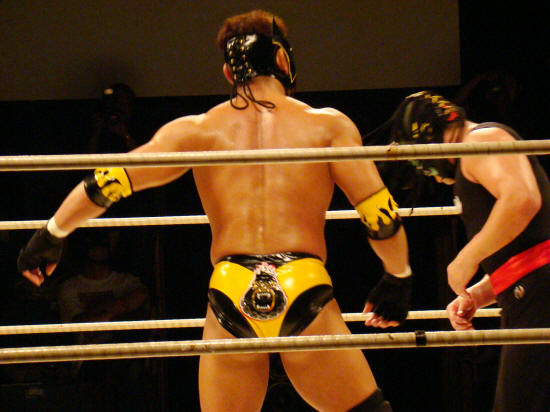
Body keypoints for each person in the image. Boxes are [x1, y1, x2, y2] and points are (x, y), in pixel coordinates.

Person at [17, 10, 411, 412]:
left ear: (228, 73)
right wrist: (397, 276)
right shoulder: (328, 126)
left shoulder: (198, 130)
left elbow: (107, 182)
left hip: (231, 287)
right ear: (282, 59)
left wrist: (50, 234)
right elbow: (379, 214)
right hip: (303, 281)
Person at [387, 90, 550, 412]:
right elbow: (526, 247)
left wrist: (465, 259)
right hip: (531, 291)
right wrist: (478, 294)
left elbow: (522, 199)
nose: (431, 175)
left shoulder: (479, 140)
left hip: (539, 293)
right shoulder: (474, 151)